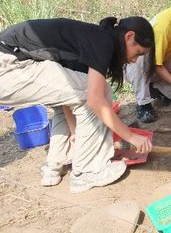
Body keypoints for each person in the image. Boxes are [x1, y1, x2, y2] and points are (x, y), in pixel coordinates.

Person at [0, 17, 155, 193]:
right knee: (100, 91)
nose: (136, 60)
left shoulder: (92, 39)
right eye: (139, 53)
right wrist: (131, 137)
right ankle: (88, 171)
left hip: (13, 62)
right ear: (129, 36)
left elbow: (67, 97)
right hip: (9, 65)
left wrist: (76, 132)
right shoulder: (102, 42)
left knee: (76, 91)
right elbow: (95, 100)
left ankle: (56, 164)